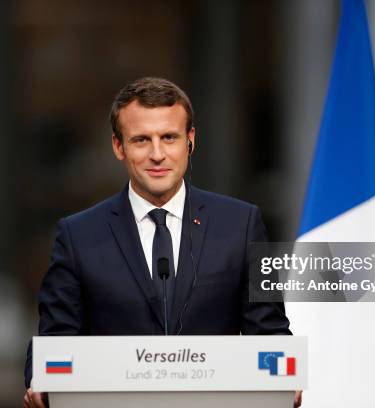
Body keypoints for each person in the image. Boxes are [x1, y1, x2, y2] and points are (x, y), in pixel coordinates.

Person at [23, 77, 293, 408]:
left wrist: (285, 380)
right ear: (118, 146)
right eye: (141, 140)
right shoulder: (77, 235)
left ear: (190, 141)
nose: (157, 154)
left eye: (169, 137)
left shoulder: (244, 223)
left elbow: (270, 332)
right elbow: (54, 339)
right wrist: (42, 379)